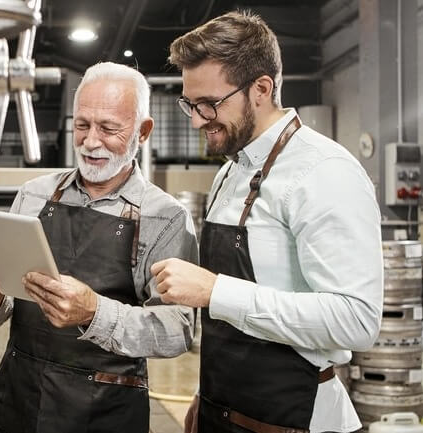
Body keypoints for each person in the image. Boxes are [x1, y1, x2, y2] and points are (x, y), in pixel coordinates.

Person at [151, 10, 383, 433]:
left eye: (210, 104)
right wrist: (207, 398)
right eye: (190, 103)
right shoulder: (230, 171)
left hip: (294, 419)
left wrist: (216, 291)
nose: (197, 119)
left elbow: (357, 320)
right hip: (224, 411)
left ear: (261, 88)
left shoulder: (323, 171)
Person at [0, 62, 198, 433]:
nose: (90, 142)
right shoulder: (34, 194)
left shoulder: (165, 217)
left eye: (108, 128)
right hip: (19, 398)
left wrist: (94, 313)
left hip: (104, 410)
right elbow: (3, 298)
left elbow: (177, 329)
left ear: (143, 131)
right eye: (83, 125)